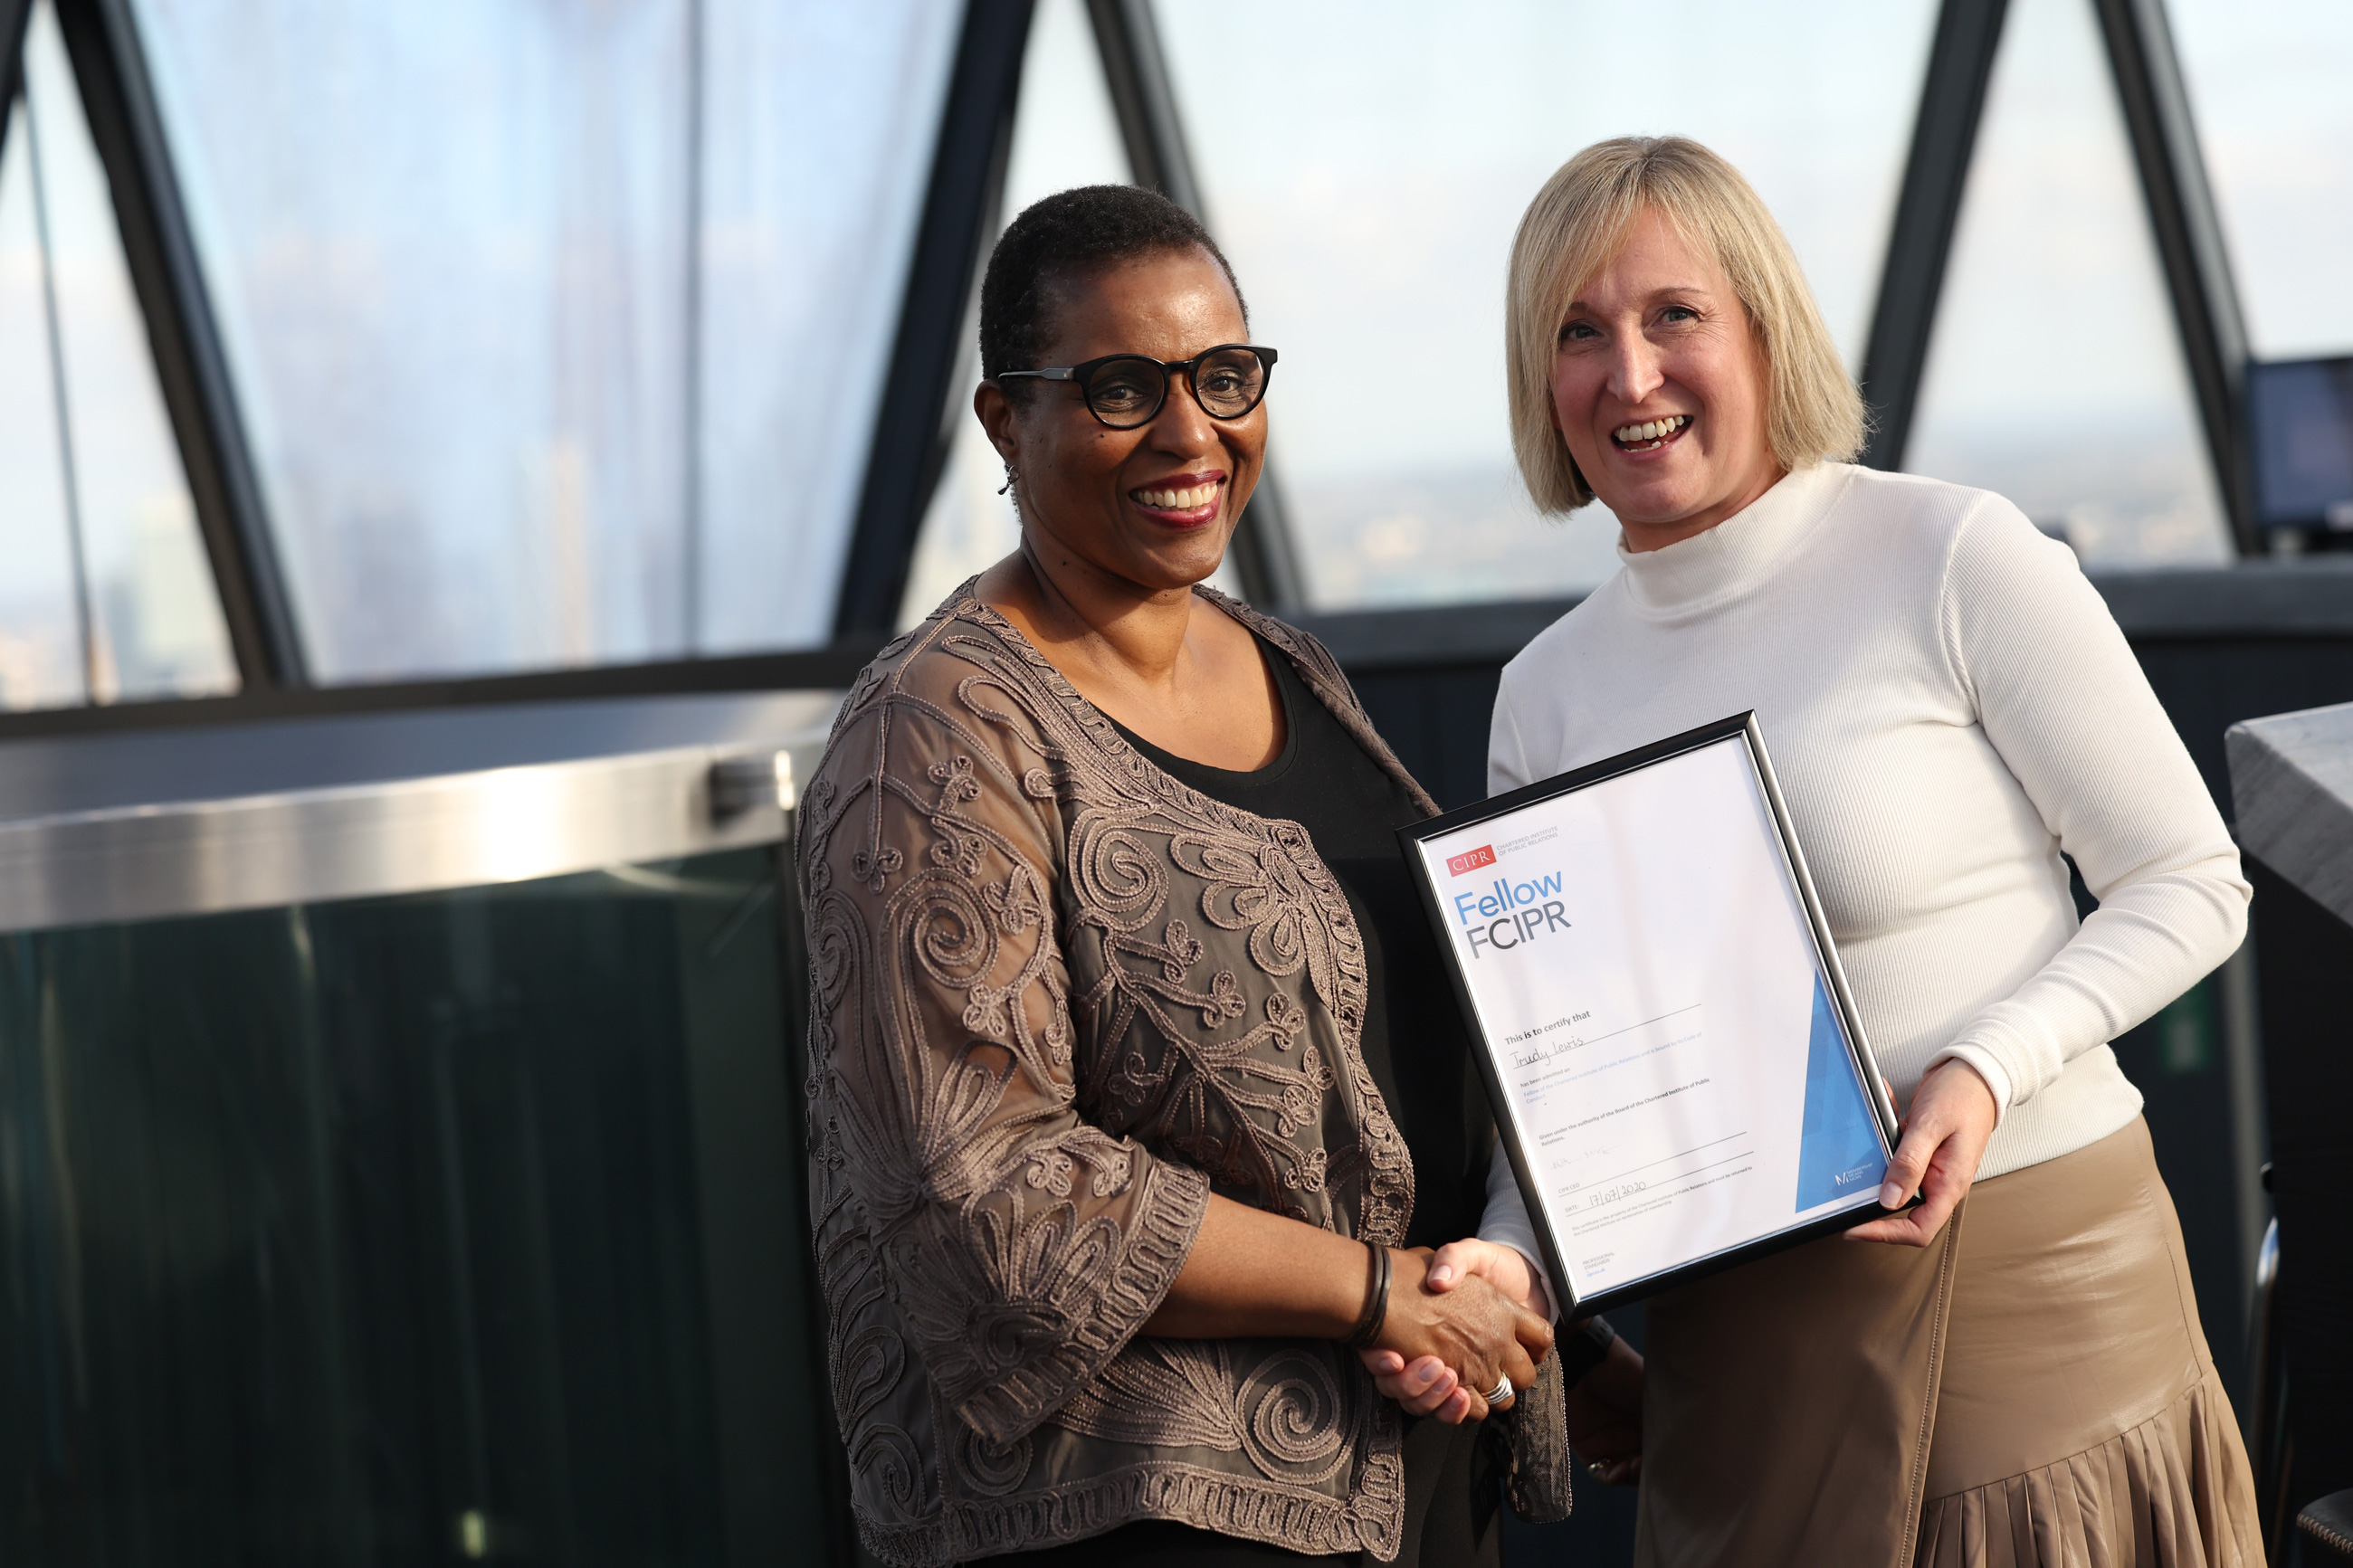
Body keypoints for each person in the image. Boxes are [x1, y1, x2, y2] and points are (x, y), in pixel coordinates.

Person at [797, 184, 1642, 1568]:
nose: (1192, 432)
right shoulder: (937, 735)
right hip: (1142, 1515)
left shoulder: (1281, 661)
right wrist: (1383, 1296)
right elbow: (989, 1190)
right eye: (1121, 388)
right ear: (1007, 421)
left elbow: (1368, 1088)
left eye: (1224, 376)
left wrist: (1555, 1337)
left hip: (1416, 1464)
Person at [1468, 134, 2261, 1566]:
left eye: (1672, 315)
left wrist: (1984, 1065)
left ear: (1764, 324)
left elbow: (2191, 879)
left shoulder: (1948, 555)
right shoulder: (1546, 695)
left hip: (2025, 1284)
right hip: (1736, 1349)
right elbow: (1575, 1085)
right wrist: (1510, 1255)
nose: (1628, 375)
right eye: (1578, 332)